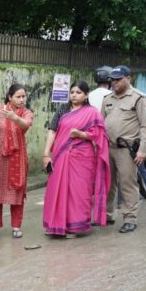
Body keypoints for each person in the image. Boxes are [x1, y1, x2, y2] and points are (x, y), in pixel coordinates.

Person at [42, 81, 110, 238]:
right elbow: (52, 130)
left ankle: (74, 227)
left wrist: (82, 134)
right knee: (56, 189)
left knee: (78, 191)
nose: (74, 95)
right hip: (60, 155)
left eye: (78, 92)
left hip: (82, 158)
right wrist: (46, 153)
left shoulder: (92, 112)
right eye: (72, 92)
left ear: (86, 95)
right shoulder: (63, 109)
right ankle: (55, 224)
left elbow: (100, 135)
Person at [102, 65, 146, 233]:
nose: (114, 82)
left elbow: (145, 127)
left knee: (127, 184)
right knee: (108, 183)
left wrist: (142, 150)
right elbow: (101, 124)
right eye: (112, 79)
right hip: (108, 148)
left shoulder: (139, 98)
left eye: (118, 79)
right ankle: (107, 214)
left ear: (128, 78)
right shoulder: (108, 99)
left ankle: (130, 218)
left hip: (127, 149)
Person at [0, 84, 33, 239]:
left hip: (16, 160)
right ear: (9, 97)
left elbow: (26, 125)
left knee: (16, 194)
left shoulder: (26, 113)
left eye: (23, 96)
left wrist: (15, 117)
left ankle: (16, 226)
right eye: (18, 96)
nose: (21, 100)